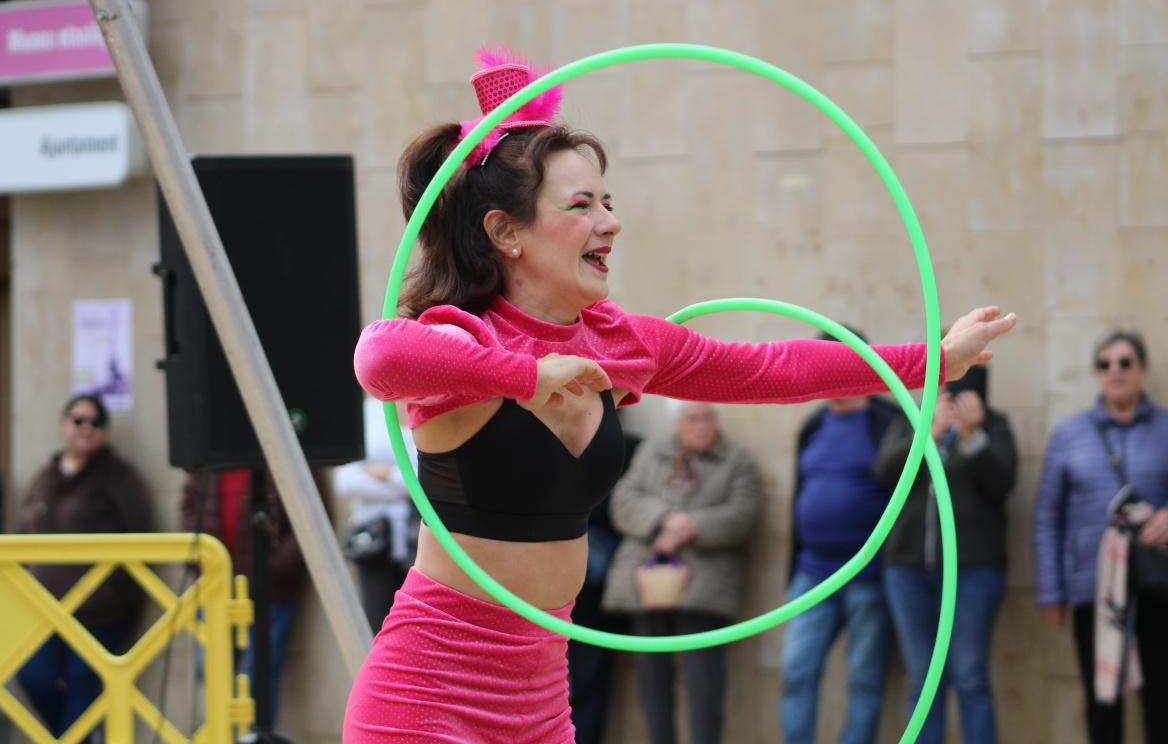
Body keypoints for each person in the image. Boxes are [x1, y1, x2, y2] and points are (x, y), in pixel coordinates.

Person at [341, 45, 1017, 742]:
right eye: (582, 205)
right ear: (505, 232)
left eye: (609, 201)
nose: (612, 222)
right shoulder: (463, 340)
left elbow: (774, 368)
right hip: (427, 699)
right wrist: (525, 374)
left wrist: (932, 360)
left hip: (540, 703)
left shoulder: (619, 343)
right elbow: (380, 356)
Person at [1034, 330, 1168, 744]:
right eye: (1105, 363)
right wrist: (1052, 592)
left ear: (1142, 368)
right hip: (1094, 589)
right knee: (1102, 700)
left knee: (1162, 698)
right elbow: (1047, 516)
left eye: (1125, 362)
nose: (1116, 371)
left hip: (1158, 586)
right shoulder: (1070, 434)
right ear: (1096, 373)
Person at [601, 401, 761, 744]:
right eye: (692, 419)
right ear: (678, 423)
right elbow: (624, 501)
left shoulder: (738, 461)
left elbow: (742, 515)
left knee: (705, 682)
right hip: (648, 583)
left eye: (707, 418)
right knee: (652, 680)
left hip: (704, 584)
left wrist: (692, 526)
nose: (701, 426)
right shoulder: (652, 453)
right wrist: (665, 519)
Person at [874, 366, 1017, 744]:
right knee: (922, 678)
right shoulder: (912, 420)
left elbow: (1003, 483)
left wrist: (973, 437)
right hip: (907, 569)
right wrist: (928, 434)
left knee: (970, 674)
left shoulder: (995, 425)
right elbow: (885, 471)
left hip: (972, 570)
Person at [779, 329, 900, 744]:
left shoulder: (889, 419)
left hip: (870, 576)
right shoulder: (813, 424)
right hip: (812, 574)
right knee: (796, 672)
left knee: (865, 680)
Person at [16, 393, 153, 738]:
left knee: (82, 683)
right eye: (79, 420)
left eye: (96, 422)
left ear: (105, 431)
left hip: (99, 609)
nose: (86, 428)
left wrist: (110, 587)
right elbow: (23, 530)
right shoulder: (46, 475)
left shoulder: (118, 475)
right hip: (46, 610)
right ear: (64, 425)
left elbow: (141, 531)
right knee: (33, 676)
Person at [179, 465, 331, 727]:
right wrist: (200, 560)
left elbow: (313, 520)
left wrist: (272, 568)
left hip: (270, 593)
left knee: (260, 677)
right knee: (214, 677)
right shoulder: (211, 451)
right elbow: (189, 508)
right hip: (217, 589)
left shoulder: (282, 444)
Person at [566, 418, 639, 744]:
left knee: (587, 679)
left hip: (595, 588)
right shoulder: (550, 440)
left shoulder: (630, 447)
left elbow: (621, 511)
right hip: (547, 589)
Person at [333, 396, 419, 633]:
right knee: (377, 625)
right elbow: (346, 481)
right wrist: (403, 484)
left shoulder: (424, 405)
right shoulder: (365, 413)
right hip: (373, 541)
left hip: (419, 540)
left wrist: (384, 474)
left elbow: (427, 480)